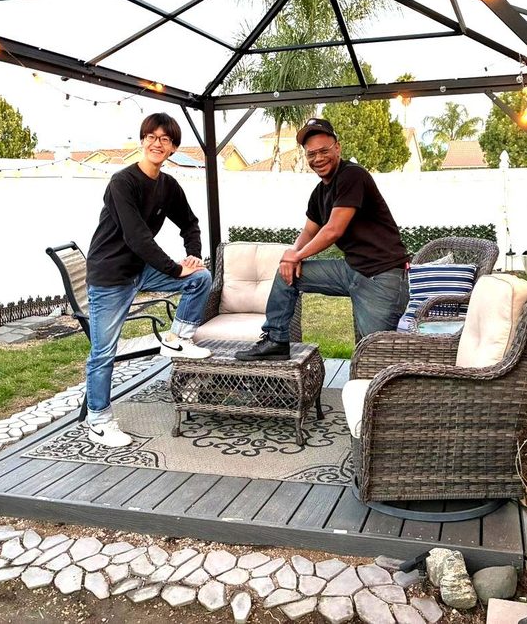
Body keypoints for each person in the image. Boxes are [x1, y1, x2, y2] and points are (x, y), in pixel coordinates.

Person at [84, 112, 212, 447]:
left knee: (200, 278)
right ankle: (98, 420)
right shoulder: (121, 183)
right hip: (111, 274)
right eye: (151, 137)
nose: (157, 144)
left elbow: (190, 223)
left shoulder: (167, 185)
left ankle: (178, 338)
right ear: (142, 140)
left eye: (165, 139)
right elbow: (136, 237)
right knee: (103, 353)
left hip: (142, 267)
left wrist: (193, 256)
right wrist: (173, 268)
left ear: (172, 149)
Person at [236, 118, 410, 361]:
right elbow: (309, 231)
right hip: (352, 270)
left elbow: (333, 230)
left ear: (337, 148)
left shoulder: (353, 176)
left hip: (381, 275)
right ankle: (276, 340)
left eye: (324, 151)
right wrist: (291, 256)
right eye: (311, 154)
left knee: (373, 356)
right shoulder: (319, 193)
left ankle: (383, 395)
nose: (318, 158)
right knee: (286, 275)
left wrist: (296, 255)